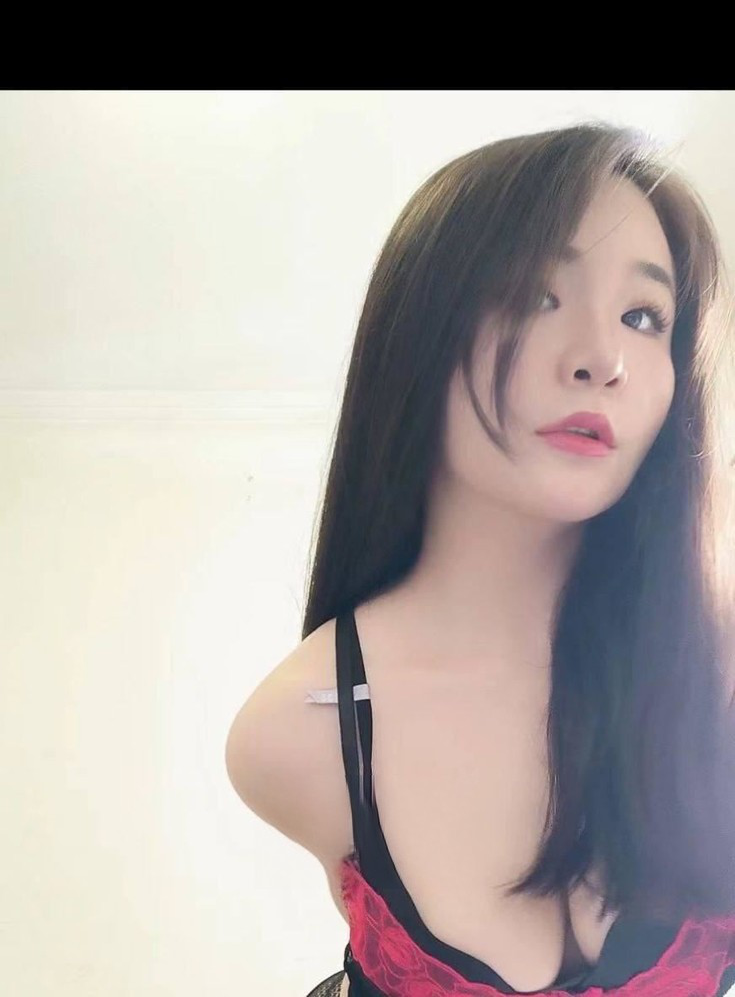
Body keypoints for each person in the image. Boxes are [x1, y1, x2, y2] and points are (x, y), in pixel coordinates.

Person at [225, 121, 735, 997]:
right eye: (534, 295)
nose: (602, 359)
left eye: (642, 317)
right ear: (417, 336)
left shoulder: (713, 669)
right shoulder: (295, 734)